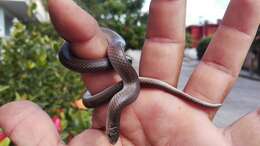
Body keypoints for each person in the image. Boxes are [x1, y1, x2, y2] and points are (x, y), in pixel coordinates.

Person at [0, 0, 260, 145]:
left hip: (118, 66)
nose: (111, 136)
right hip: (118, 70)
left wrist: (118, 61)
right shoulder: (119, 95)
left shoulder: (118, 83)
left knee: (116, 58)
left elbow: (118, 71)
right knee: (112, 65)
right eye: (112, 134)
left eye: (112, 134)